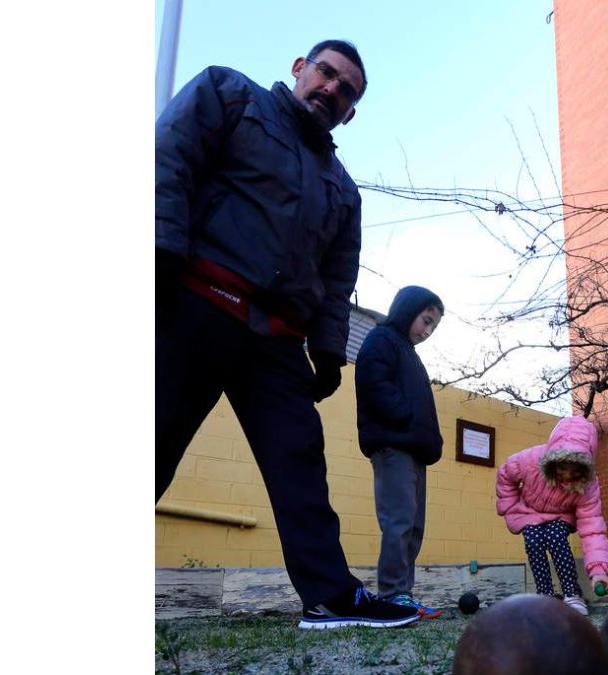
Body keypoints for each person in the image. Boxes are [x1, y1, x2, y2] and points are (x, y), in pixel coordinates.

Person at [155, 39, 420, 630]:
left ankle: (329, 598)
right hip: (194, 302)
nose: (332, 89)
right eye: (326, 73)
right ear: (300, 68)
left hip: (274, 341)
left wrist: (328, 352)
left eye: (346, 90)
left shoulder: (343, 191)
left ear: (350, 111)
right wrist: (161, 247)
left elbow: (337, 276)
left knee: (301, 468)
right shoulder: (228, 93)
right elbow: (167, 156)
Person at [354, 286, 446, 618]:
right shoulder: (381, 340)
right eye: (425, 320)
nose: (427, 331)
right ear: (408, 310)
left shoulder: (410, 353)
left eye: (433, 326)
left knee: (414, 524)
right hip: (393, 447)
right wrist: (403, 416)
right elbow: (373, 382)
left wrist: (430, 438)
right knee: (399, 521)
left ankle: (402, 594)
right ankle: (391, 594)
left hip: (414, 451)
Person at [495, 415, 608, 615]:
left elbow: (592, 529)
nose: (567, 477)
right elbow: (505, 474)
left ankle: (571, 593)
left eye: (574, 471)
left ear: (584, 467)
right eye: (561, 469)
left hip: (561, 516)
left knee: (555, 535)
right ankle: (545, 595)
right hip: (530, 512)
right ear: (552, 460)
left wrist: (598, 571)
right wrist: (510, 506)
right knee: (533, 539)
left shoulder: (588, 486)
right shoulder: (531, 460)